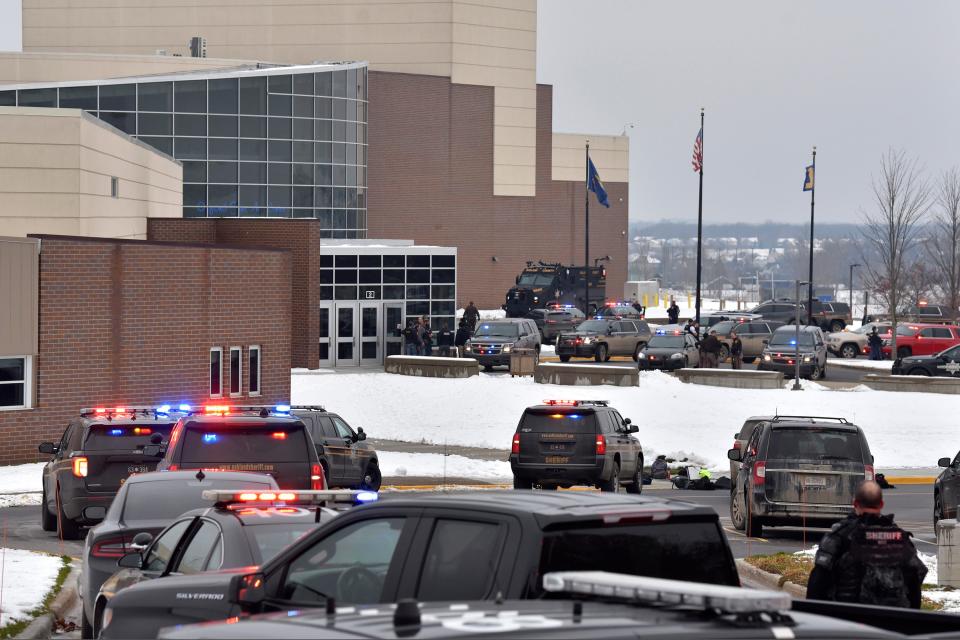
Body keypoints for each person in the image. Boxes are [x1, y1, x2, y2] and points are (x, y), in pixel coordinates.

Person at [806, 481, 927, 608]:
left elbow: (817, 583)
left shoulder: (841, 536)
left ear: (855, 504)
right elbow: (914, 586)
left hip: (848, 619)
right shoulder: (900, 538)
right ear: (881, 504)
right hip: (893, 620)